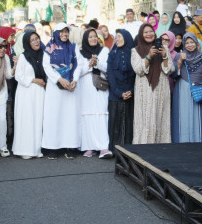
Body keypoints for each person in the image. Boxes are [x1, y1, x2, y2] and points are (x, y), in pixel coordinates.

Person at [132, 23, 175, 144]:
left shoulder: (164, 48)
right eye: (145, 32)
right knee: (145, 118)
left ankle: (161, 147)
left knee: (160, 117)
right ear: (141, 34)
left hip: (161, 88)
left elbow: (170, 69)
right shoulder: (135, 51)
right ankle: (143, 146)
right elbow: (138, 69)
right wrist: (149, 56)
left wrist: (165, 56)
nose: (149, 34)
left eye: (151, 31)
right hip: (144, 88)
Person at [42, 23, 80, 158]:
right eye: (62, 32)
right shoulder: (49, 47)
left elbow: (78, 64)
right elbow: (46, 66)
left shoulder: (73, 47)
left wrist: (74, 79)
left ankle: (69, 146)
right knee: (54, 116)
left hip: (70, 87)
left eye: (66, 32)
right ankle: (53, 148)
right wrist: (59, 79)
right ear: (56, 33)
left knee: (69, 118)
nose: (64, 34)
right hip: (55, 88)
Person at [173, 33, 202, 143]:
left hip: (199, 90)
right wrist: (180, 61)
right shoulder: (179, 56)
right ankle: (183, 141)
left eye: (192, 42)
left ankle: (198, 140)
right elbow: (173, 74)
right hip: (183, 89)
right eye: (187, 43)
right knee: (184, 116)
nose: (190, 45)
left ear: (196, 43)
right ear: (183, 44)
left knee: (198, 116)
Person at [76, 29, 112, 157]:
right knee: (87, 115)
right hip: (85, 88)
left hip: (100, 87)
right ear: (85, 39)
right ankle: (89, 146)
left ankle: (103, 147)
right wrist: (89, 65)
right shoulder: (79, 53)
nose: (93, 39)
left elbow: (108, 68)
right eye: (90, 37)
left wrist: (97, 64)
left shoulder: (104, 51)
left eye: (95, 36)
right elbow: (78, 72)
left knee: (101, 114)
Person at [13, 32, 47, 159]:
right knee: (27, 119)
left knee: (38, 119)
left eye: (37, 39)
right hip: (26, 93)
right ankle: (25, 149)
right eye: (32, 40)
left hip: (39, 92)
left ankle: (37, 148)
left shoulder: (43, 55)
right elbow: (18, 76)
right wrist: (34, 80)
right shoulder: (23, 56)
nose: (36, 42)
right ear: (27, 42)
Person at [107, 29, 136, 152]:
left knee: (129, 123)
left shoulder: (134, 54)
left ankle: (128, 151)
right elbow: (111, 76)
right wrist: (119, 93)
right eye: (116, 37)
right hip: (115, 95)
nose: (117, 39)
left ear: (126, 37)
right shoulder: (112, 54)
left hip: (130, 94)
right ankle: (115, 150)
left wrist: (131, 91)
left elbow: (137, 75)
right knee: (115, 124)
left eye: (119, 36)